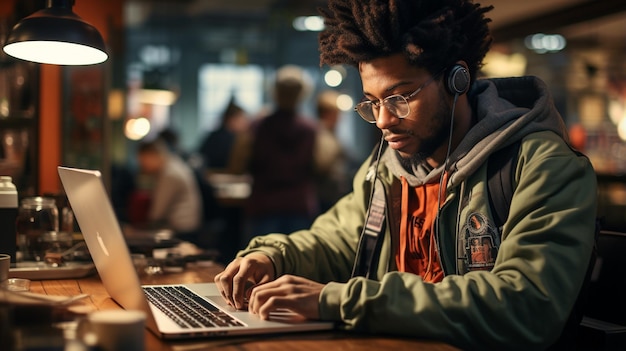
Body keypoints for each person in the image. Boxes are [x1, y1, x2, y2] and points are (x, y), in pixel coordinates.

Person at [214, 1, 598, 350]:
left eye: (400, 98)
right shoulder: (384, 171)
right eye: (373, 102)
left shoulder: (541, 165)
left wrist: (335, 301)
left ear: (457, 80)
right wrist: (272, 256)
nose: (383, 120)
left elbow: (526, 307)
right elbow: (333, 240)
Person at [244, 65, 319, 238]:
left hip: (264, 204)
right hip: (297, 204)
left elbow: (243, 162)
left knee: (256, 259)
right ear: (303, 94)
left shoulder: (258, 126)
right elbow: (317, 167)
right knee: (297, 262)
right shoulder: (309, 129)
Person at [135, 139, 202, 240]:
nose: (143, 167)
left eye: (143, 161)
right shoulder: (173, 164)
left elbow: (157, 213)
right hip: (184, 227)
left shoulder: (169, 174)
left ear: (152, 155)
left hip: (182, 231)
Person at [313, 90, 351, 213]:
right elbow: (322, 164)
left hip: (329, 193)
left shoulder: (329, 133)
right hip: (324, 195)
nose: (340, 117)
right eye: (337, 113)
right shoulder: (321, 134)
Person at [197, 98, 250, 173]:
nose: (246, 123)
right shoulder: (227, 139)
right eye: (242, 119)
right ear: (231, 120)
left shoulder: (214, 135)